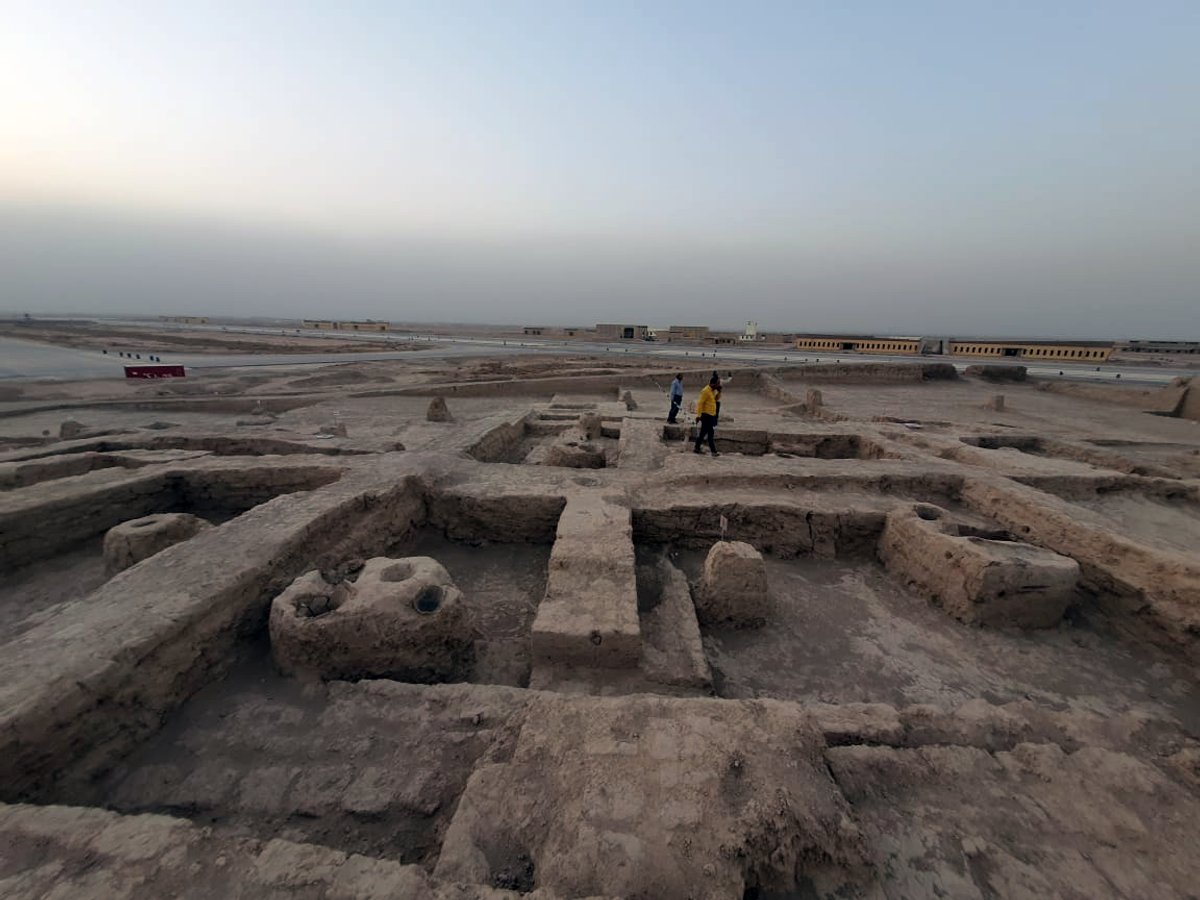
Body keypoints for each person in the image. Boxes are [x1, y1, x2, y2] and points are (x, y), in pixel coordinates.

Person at [693, 374, 721, 456]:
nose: (718, 385)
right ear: (713, 384)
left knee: (704, 433)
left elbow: (716, 399)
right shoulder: (705, 391)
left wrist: (719, 392)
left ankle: (697, 448)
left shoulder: (712, 391)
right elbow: (700, 403)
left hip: (711, 415)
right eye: (717, 383)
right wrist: (698, 415)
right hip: (706, 416)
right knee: (709, 434)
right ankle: (713, 451)